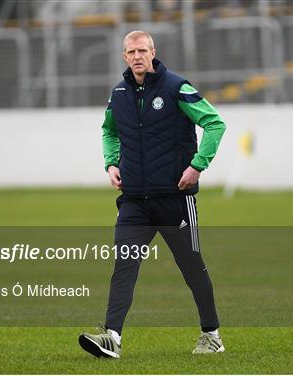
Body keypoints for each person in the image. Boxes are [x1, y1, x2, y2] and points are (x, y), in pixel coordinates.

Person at [79, 30, 226, 358]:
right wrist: (111, 163)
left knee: (192, 269)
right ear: (124, 56)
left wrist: (197, 166)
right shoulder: (118, 93)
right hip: (134, 202)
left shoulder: (177, 87)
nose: (137, 56)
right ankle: (112, 337)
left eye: (142, 50)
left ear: (153, 52)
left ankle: (211, 335)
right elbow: (109, 131)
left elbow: (215, 123)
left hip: (175, 198)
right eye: (131, 52)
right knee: (124, 266)